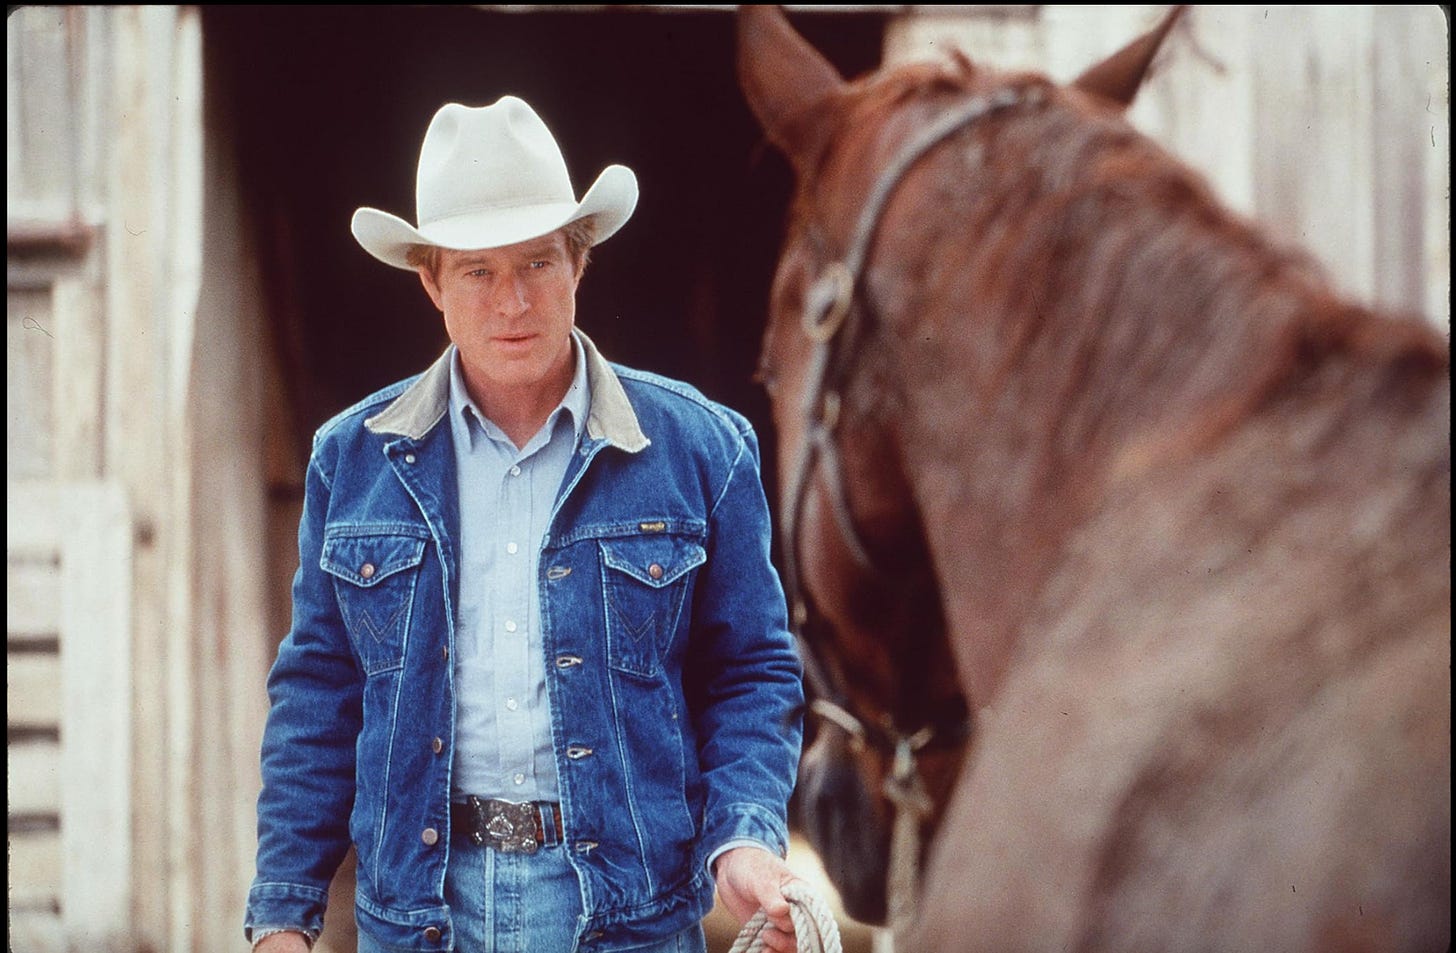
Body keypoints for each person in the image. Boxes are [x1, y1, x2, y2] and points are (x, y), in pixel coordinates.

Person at [244, 95, 806, 953]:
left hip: (630, 918)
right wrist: (284, 914)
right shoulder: (351, 461)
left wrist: (744, 840)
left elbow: (753, 673)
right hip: (423, 914)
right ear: (431, 281)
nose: (513, 302)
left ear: (580, 263)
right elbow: (320, 693)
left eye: (538, 263)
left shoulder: (701, 449)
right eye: (477, 271)